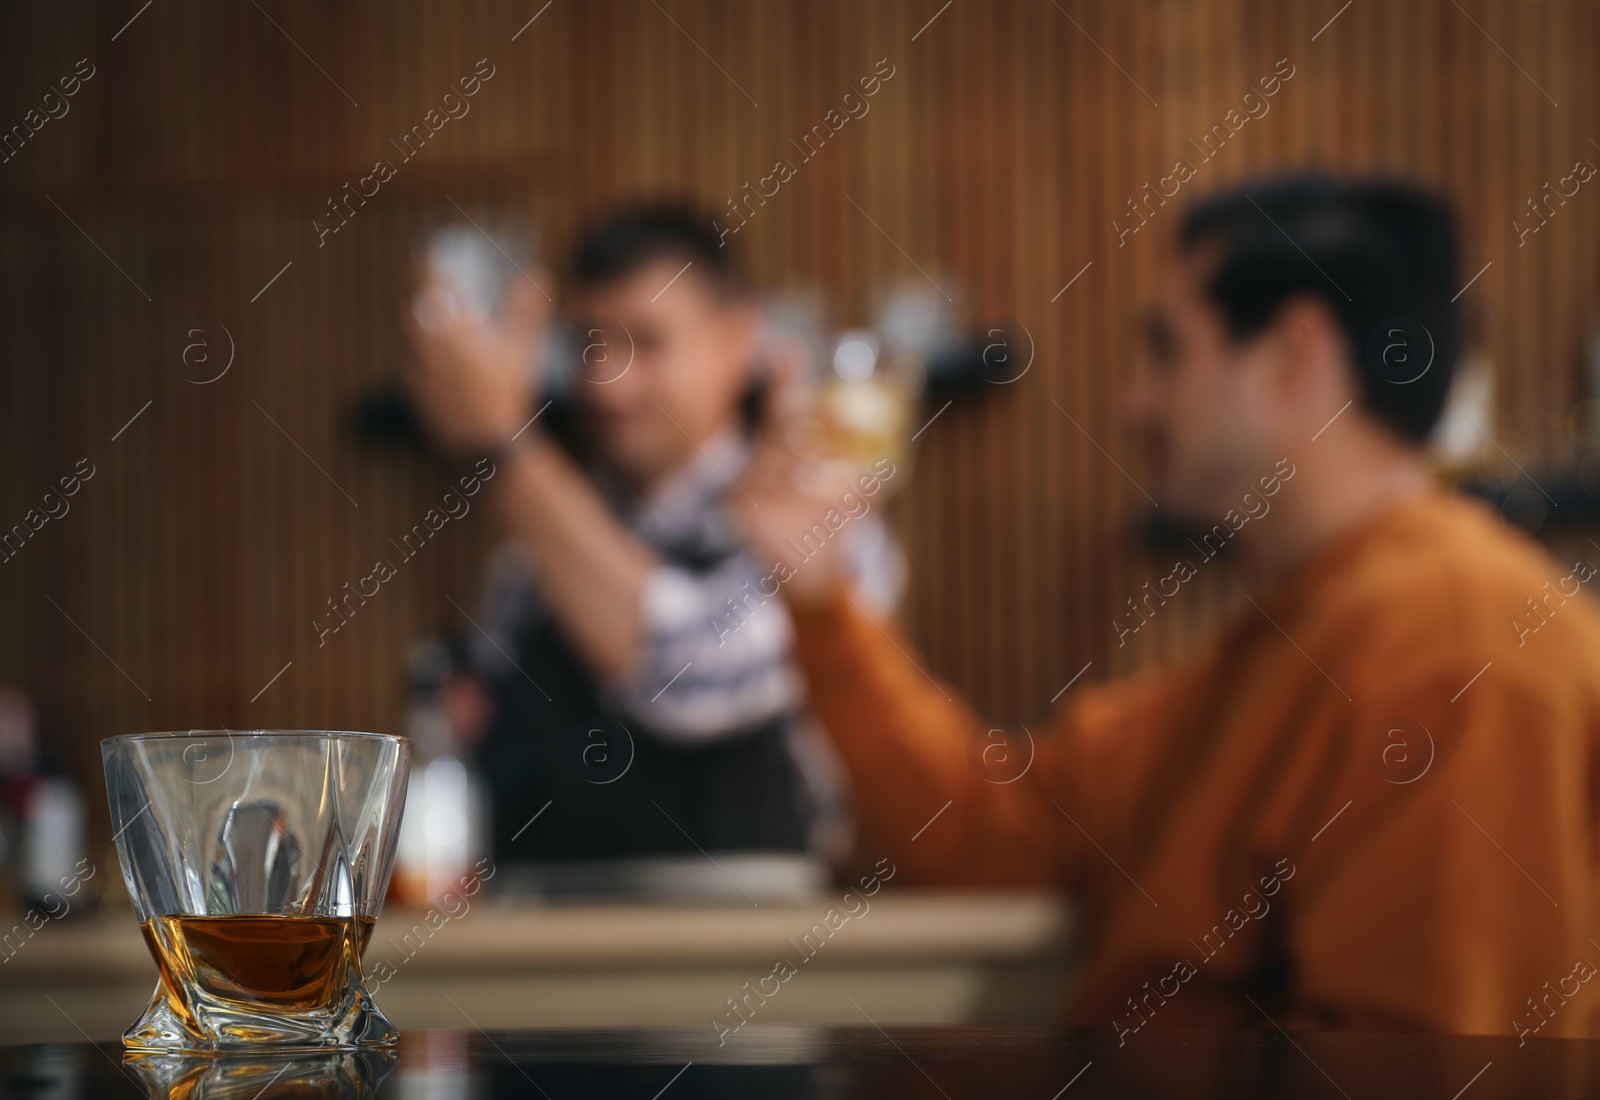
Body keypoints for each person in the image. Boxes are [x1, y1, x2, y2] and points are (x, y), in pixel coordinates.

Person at [732, 174, 1600, 1038]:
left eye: (1167, 350)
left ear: (1294, 354)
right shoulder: (1289, 640)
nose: (1132, 404)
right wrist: (819, 597)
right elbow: (982, 830)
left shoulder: (1456, 651)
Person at [402, 205, 898, 878]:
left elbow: (690, 678)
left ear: (737, 341)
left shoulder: (820, 523)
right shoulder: (527, 560)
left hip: (742, 941)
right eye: (589, 344)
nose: (608, 382)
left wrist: (504, 450)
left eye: (647, 342)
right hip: (536, 935)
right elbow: (466, 745)